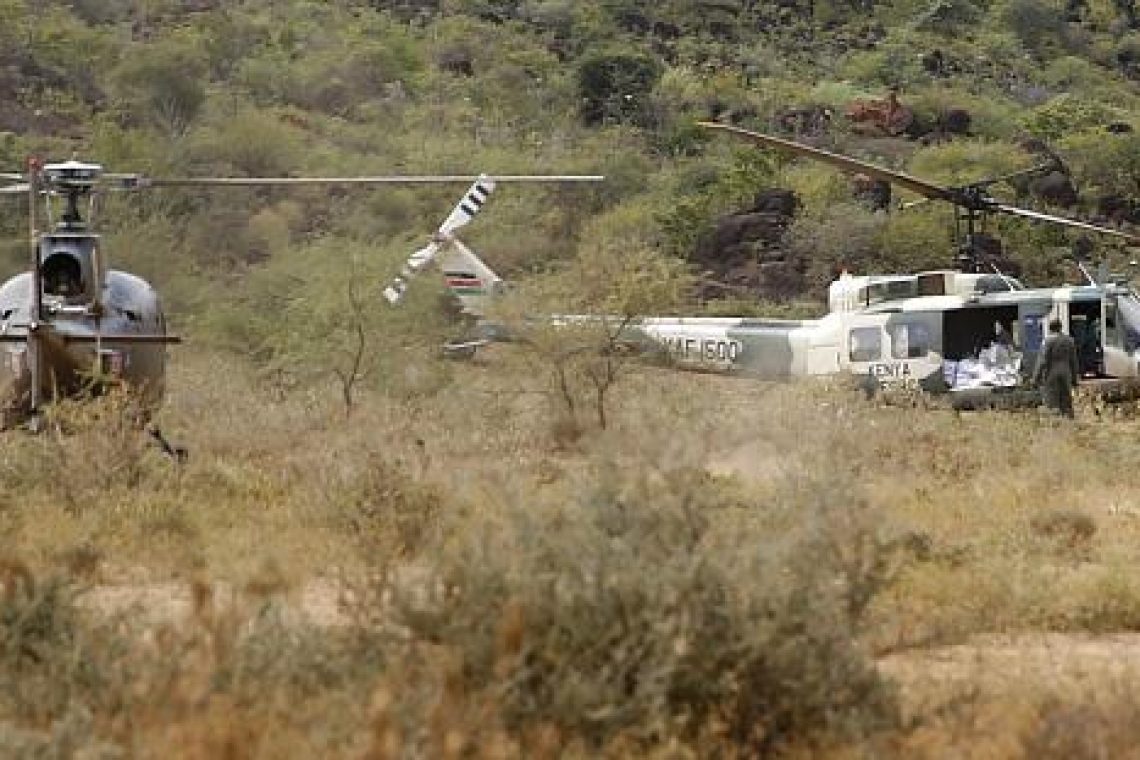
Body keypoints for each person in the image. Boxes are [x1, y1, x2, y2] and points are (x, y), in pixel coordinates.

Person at [1033, 318, 1079, 418]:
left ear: (1050, 328)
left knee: (1052, 401)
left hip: (1051, 373)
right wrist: (1075, 379)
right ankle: (1069, 421)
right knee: (1067, 401)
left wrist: (1035, 379)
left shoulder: (1047, 341)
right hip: (1066, 372)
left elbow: (1043, 361)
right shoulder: (1070, 340)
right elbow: (1074, 361)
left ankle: (1055, 422)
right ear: (1060, 327)